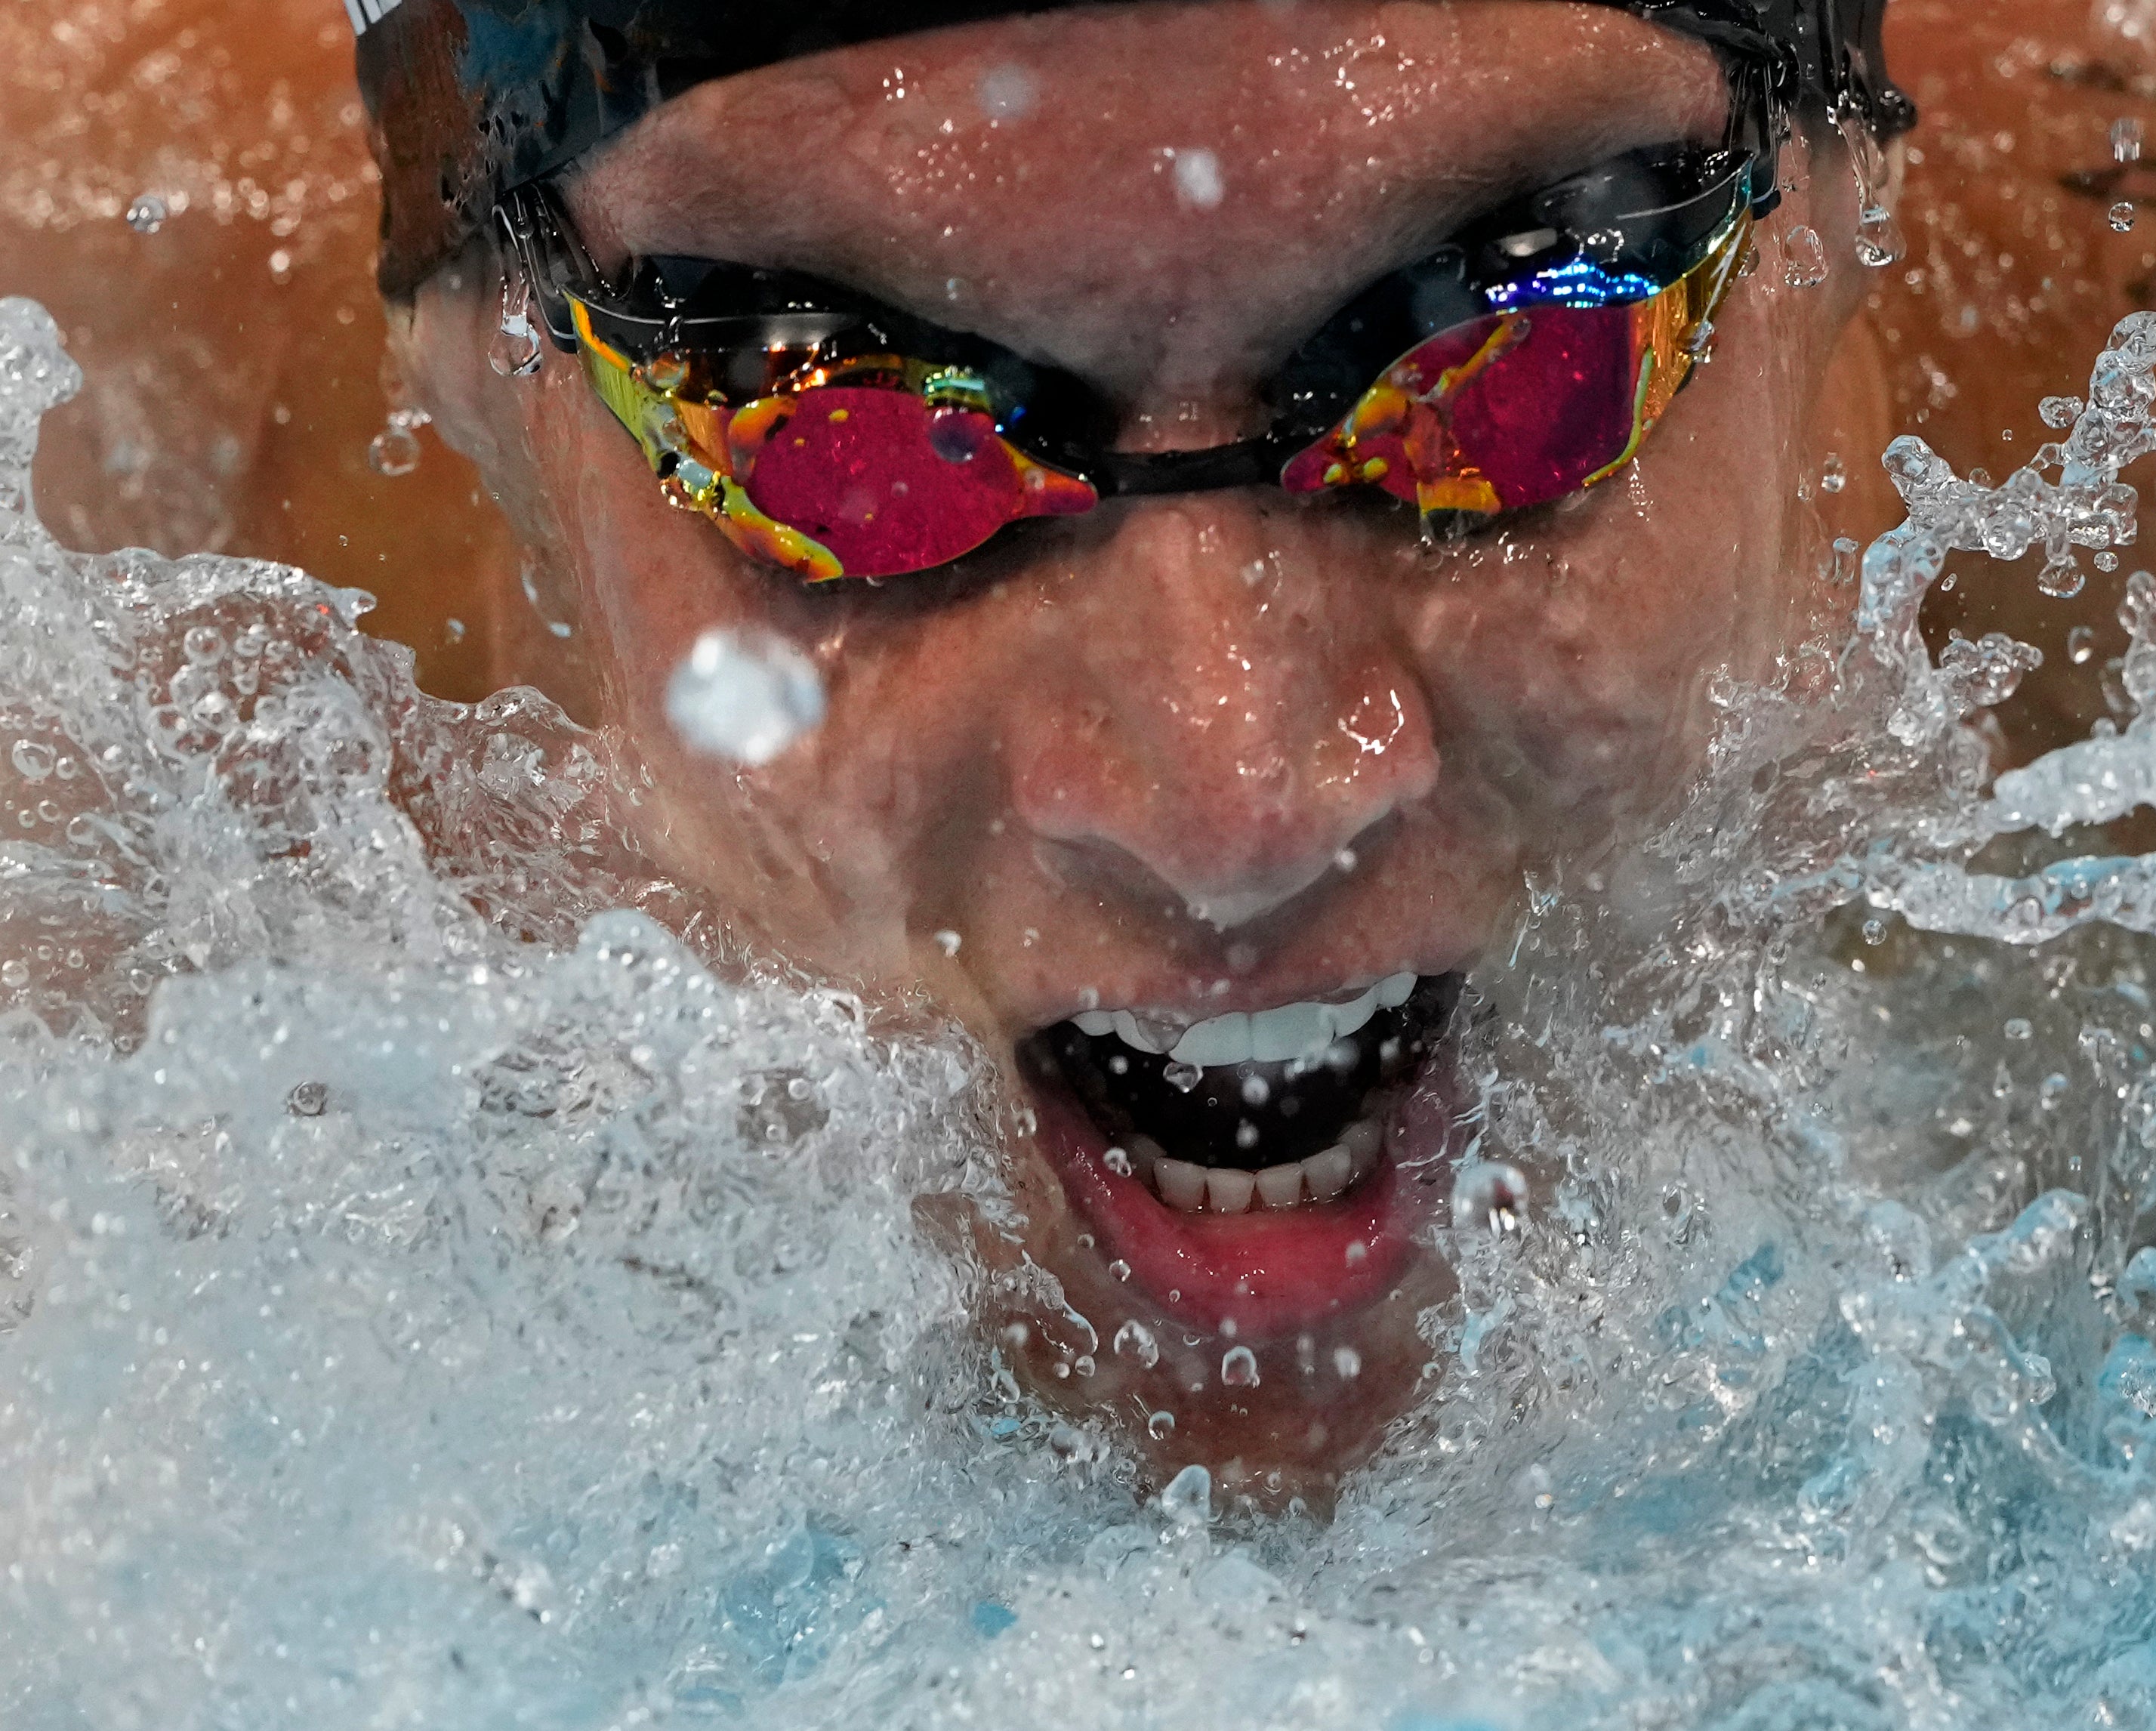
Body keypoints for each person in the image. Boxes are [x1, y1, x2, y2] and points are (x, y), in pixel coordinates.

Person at [356, 0, 1912, 1496]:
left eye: (1518, 363)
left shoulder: (2145, 540)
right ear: (473, 381)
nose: (1236, 812)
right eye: (842, 439)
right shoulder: (176, 753)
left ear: (1847, 207)